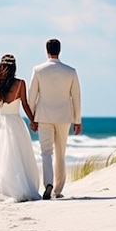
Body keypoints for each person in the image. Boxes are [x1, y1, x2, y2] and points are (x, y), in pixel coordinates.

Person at [0, 54, 41, 203]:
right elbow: (25, 104)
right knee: (19, 157)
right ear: (14, 67)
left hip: (1, 122)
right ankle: (19, 188)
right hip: (16, 122)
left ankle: (1, 188)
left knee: (0, 158)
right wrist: (33, 121)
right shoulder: (21, 84)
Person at [28, 39, 82, 200]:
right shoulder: (70, 71)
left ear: (47, 51)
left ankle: (48, 184)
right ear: (60, 50)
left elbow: (32, 96)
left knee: (46, 152)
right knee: (60, 153)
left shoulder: (38, 70)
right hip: (64, 117)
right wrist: (77, 120)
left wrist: (32, 118)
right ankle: (57, 190)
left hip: (43, 116)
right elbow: (76, 98)